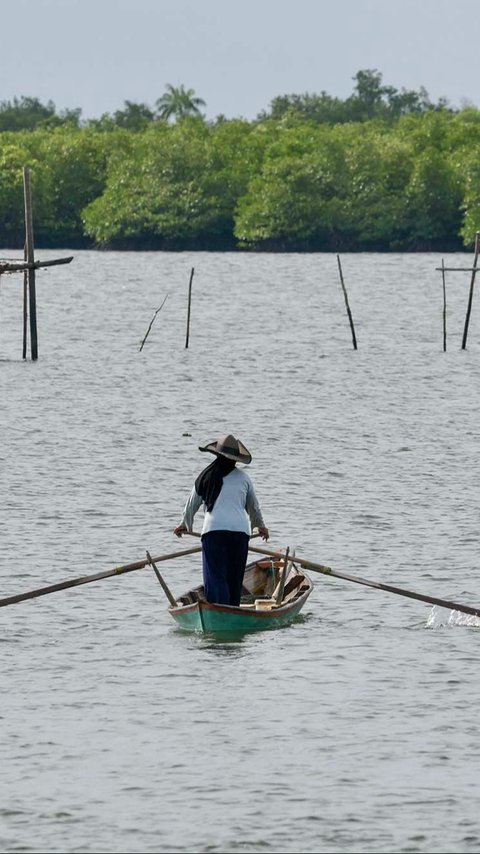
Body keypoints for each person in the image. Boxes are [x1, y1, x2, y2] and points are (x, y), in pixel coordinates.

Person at [173, 434, 269, 606]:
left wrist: (184, 525)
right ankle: (232, 610)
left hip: (214, 533)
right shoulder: (244, 478)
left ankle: (219, 612)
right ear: (235, 460)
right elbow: (253, 507)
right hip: (240, 534)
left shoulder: (206, 476)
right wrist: (260, 527)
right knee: (234, 577)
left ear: (217, 455)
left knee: (216, 578)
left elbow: (191, 504)